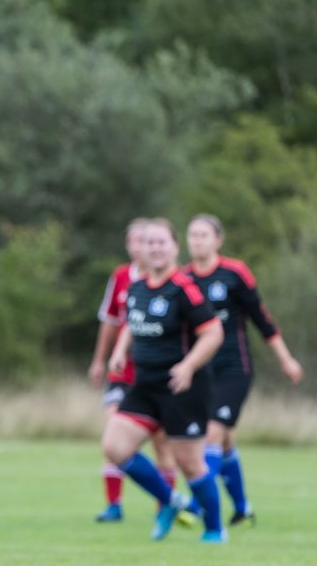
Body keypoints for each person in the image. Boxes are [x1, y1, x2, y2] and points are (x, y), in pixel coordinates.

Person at [102, 218, 226, 543]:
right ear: (140, 248)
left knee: (190, 464)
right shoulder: (137, 286)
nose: (154, 248)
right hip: (144, 385)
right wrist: (120, 350)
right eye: (149, 243)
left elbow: (213, 333)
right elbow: (133, 321)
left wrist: (187, 367)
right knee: (114, 447)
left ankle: (215, 530)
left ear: (174, 247)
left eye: (161, 242)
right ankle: (172, 502)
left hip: (182, 388)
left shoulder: (184, 287)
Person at [183, 214, 303, 525]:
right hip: (200, 372)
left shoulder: (235, 273)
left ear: (218, 240)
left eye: (203, 235)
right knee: (222, 440)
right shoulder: (182, 280)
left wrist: (286, 359)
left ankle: (199, 506)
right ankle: (242, 507)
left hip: (234, 368)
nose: (197, 240)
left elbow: (262, 320)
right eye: (192, 235)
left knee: (211, 433)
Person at [88, 219, 181, 522]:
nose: (142, 247)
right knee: (113, 433)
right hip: (123, 374)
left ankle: (164, 506)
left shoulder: (176, 283)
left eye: (148, 241)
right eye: (136, 241)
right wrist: (101, 359)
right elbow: (113, 321)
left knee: (163, 444)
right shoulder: (122, 278)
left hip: (158, 377)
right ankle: (114, 504)